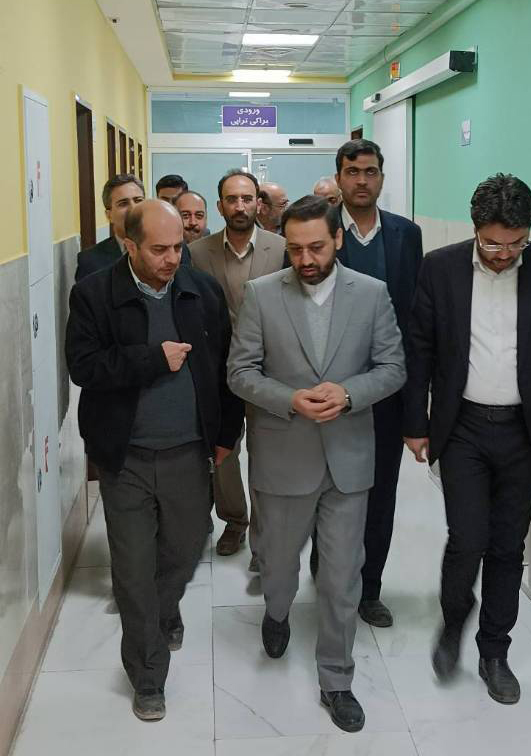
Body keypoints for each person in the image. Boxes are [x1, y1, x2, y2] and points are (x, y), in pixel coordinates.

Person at [228, 195, 406, 733]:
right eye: (295, 249)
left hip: (348, 459)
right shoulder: (262, 294)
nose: (306, 259)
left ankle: (337, 678)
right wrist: (289, 399)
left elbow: (393, 367)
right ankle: (277, 611)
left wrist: (349, 394)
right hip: (284, 457)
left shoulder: (372, 294)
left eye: (317, 248)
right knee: (278, 565)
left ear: (338, 240)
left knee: (342, 576)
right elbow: (240, 372)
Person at [403, 173, 531, 704]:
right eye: (493, 244)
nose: (504, 255)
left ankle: (494, 652)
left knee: (508, 546)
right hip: (462, 428)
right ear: (475, 228)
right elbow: (420, 349)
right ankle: (454, 619)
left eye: (516, 243)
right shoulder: (440, 268)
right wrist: (416, 424)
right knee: (467, 539)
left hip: (523, 432)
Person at [65, 200, 244, 722]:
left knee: (186, 548)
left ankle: (164, 610)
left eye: (178, 248)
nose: (172, 259)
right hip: (126, 456)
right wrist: (151, 358)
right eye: (159, 249)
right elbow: (83, 367)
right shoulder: (94, 294)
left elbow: (225, 367)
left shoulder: (201, 290)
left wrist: (226, 434)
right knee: (132, 568)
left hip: (189, 449)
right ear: (129, 246)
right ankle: (148, 674)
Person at [330, 138, 423, 629]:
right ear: (339, 177)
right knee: (329, 493)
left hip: (386, 392)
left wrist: (415, 410)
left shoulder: (406, 235)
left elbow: (414, 322)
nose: (362, 180)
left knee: (379, 494)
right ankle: (330, 580)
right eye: (352, 171)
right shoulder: (320, 228)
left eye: (370, 171)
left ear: (382, 177)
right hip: (330, 391)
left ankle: (370, 590)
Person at [190, 170, 285, 564]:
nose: (240, 206)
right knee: (223, 453)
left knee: (267, 453)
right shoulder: (198, 253)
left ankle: (266, 535)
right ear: (220, 206)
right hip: (219, 372)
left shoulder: (281, 249)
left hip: (268, 371)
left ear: (258, 203)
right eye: (232, 199)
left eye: (247, 198)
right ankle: (234, 520)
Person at [75, 174, 144, 282]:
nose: (133, 208)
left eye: (138, 200)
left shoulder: (169, 249)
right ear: (109, 215)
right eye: (123, 203)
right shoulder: (90, 261)